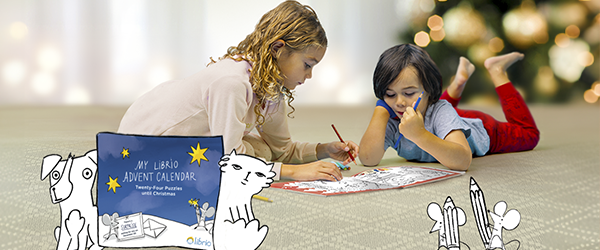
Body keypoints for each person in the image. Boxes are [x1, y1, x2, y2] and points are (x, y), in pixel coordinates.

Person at [118, 1, 358, 181]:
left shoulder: (271, 89)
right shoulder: (232, 83)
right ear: (278, 49)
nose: (309, 75)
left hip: (190, 138)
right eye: (307, 65)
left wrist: (323, 150)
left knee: (262, 150)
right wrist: (294, 172)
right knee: (244, 156)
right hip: (143, 142)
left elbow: (281, 150)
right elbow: (228, 163)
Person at [359, 44, 539, 171]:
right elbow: (368, 158)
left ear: (429, 90)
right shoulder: (394, 117)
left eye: (408, 93)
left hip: (482, 128)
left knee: (529, 135)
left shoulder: (441, 110)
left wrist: (419, 135)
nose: (398, 102)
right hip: (442, 117)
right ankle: (458, 82)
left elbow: (462, 161)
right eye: (390, 94)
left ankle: (497, 70)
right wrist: (381, 110)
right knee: (432, 109)